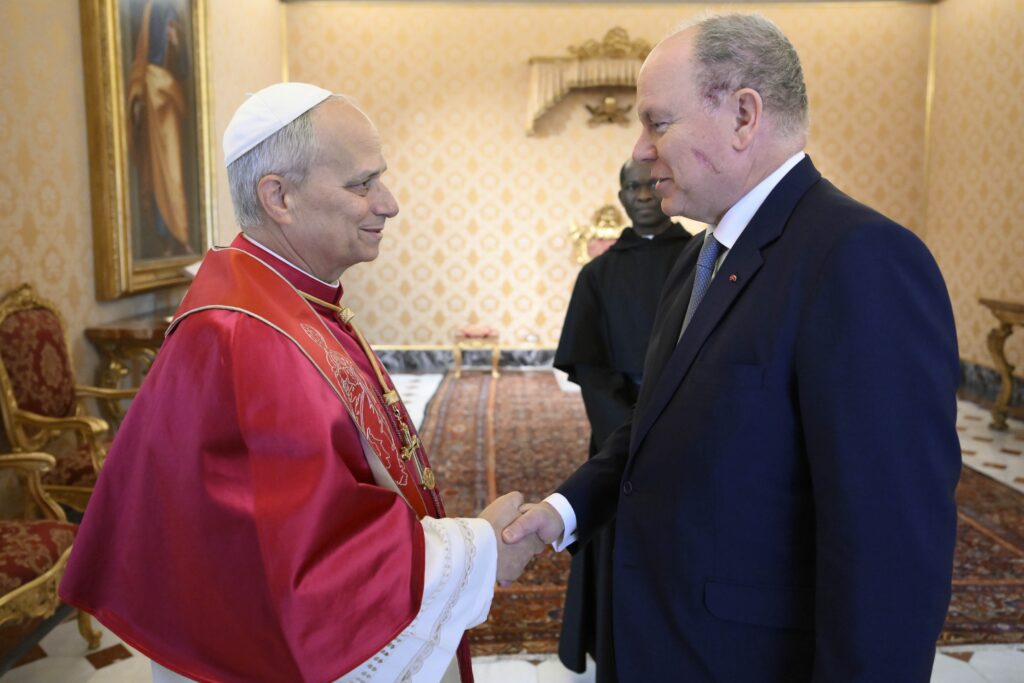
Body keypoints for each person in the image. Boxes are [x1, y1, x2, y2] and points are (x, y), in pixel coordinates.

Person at [505, 13, 960, 682]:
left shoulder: (861, 258)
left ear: (745, 116)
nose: (638, 150)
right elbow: (656, 427)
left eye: (658, 123)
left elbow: (889, 548)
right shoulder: (700, 253)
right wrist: (562, 511)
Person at [60, 82, 543, 683]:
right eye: (361, 184)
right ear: (279, 197)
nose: (388, 203)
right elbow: (315, 563)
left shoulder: (284, 301)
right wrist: (481, 548)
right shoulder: (247, 337)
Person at [553, 159, 689, 683]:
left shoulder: (702, 259)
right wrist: (629, 433)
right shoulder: (598, 274)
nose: (643, 195)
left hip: (688, 427)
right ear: (620, 194)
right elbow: (588, 365)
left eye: (652, 184)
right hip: (618, 435)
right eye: (632, 186)